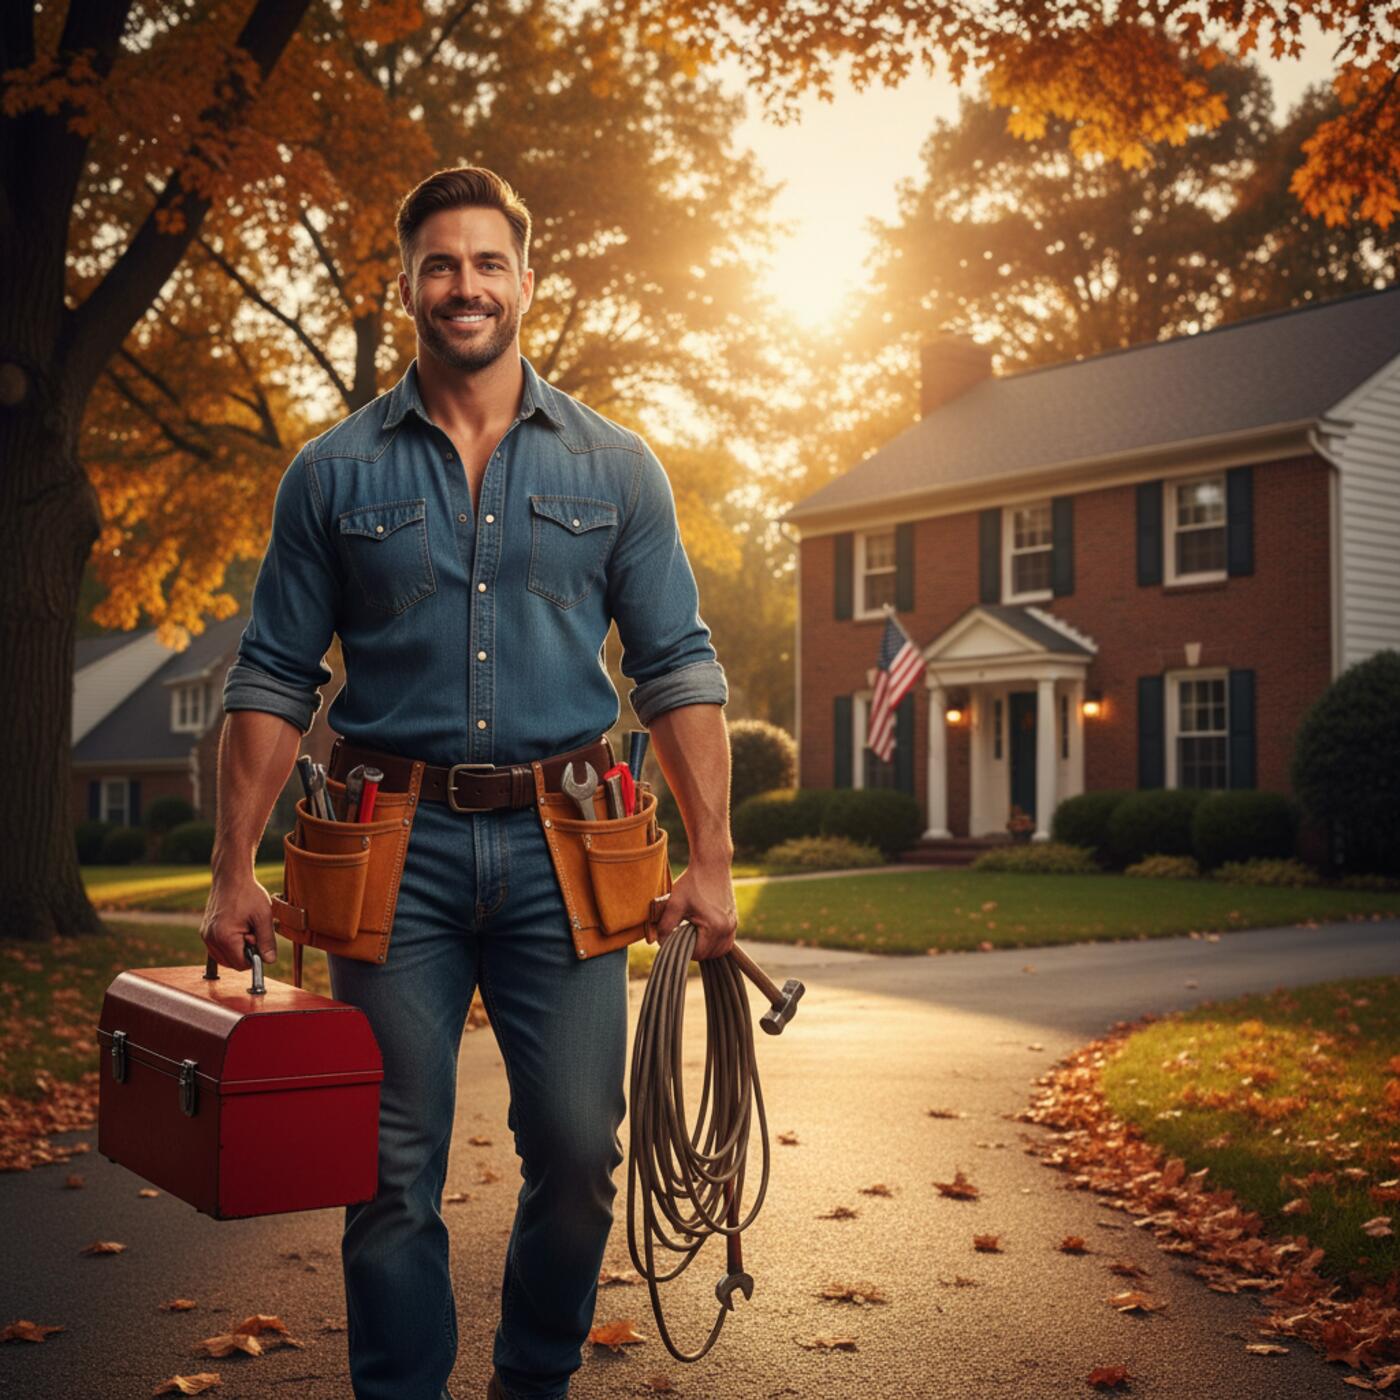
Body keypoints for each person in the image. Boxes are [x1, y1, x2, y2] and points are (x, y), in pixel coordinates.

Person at [200, 165, 738, 1400]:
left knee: (577, 1149)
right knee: (388, 1162)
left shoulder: (617, 468)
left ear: (527, 283)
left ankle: (532, 1379)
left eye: (487, 262)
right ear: (405, 287)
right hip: (390, 845)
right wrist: (234, 866)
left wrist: (709, 856)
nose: (464, 286)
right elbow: (275, 675)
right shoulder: (331, 475)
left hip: (572, 844)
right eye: (439, 264)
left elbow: (675, 666)